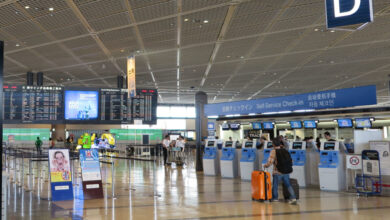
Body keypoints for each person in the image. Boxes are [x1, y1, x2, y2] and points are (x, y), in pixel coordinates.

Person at [264, 138, 297, 204]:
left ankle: (275, 198)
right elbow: (291, 160)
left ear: (273, 144)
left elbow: (270, 161)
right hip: (286, 171)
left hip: (277, 171)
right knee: (288, 185)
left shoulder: (273, 151)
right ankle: (293, 197)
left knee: (275, 185)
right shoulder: (285, 150)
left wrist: (266, 165)